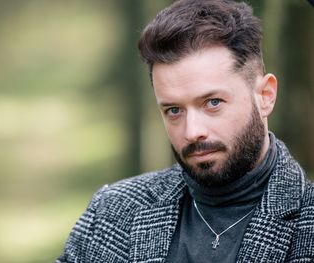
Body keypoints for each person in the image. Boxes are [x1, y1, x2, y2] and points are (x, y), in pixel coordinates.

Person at [56, 0, 314, 262]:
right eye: (174, 110)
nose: (192, 132)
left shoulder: (308, 221)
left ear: (265, 96)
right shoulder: (111, 214)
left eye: (213, 103)